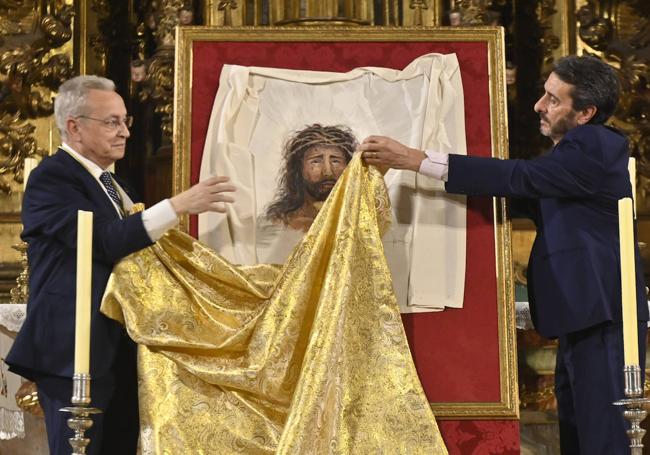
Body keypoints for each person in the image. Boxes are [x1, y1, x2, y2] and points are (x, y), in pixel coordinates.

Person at [361, 55, 648, 455]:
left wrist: (416, 160)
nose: (538, 106)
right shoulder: (570, 161)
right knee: (578, 433)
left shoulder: (594, 143)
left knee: (601, 438)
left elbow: (521, 179)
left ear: (585, 113)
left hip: (601, 312)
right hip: (585, 314)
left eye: (553, 100)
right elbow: (524, 189)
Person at [5, 75, 236, 455]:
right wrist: (178, 206)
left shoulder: (116, 184)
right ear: (74, 127)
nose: (125, 132)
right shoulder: (53, 178)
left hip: (121, 346)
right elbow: (101, 240)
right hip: (74, 350)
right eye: (111, 122)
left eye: (125, 121)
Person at [264, 124, 356, 232]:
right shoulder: (279, 224)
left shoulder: (359, 220)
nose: (328, 172)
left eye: (335, 161)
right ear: (298, 169)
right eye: (316, 161)